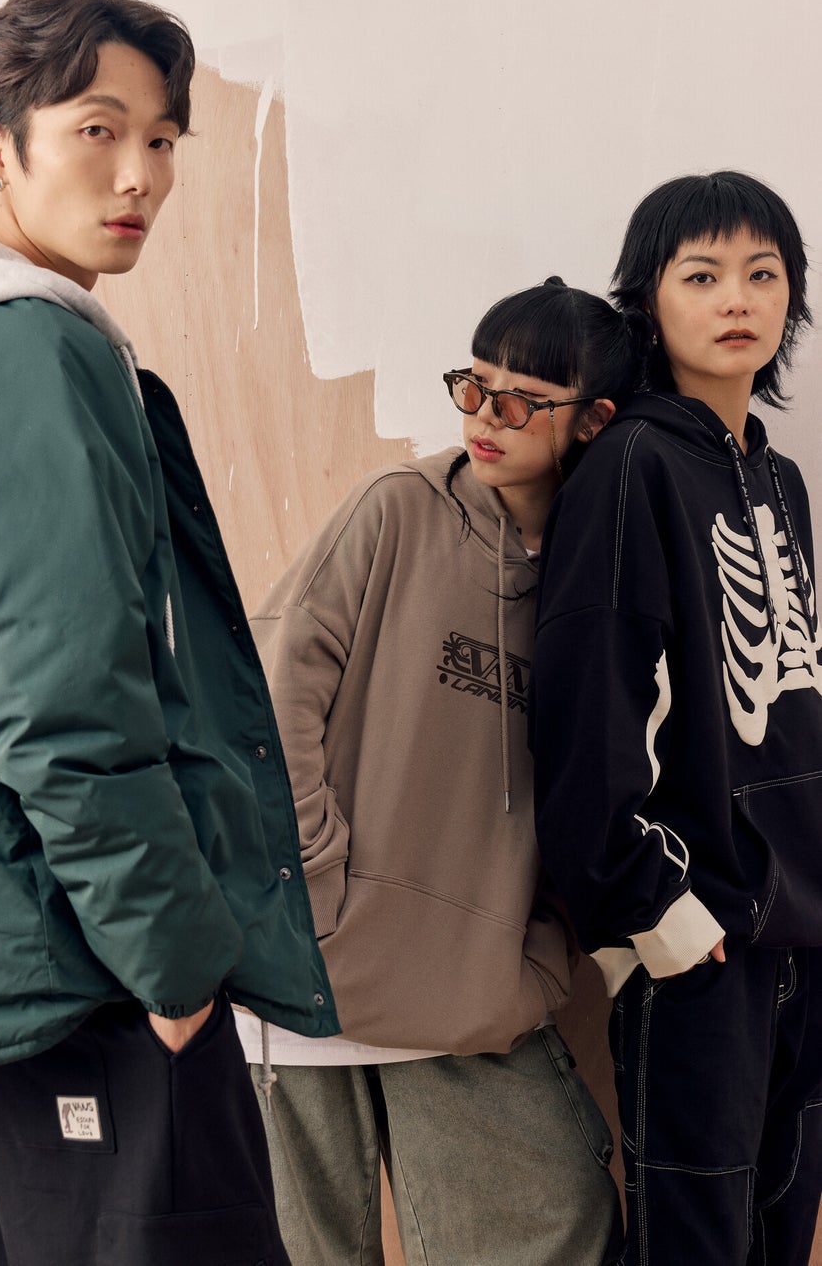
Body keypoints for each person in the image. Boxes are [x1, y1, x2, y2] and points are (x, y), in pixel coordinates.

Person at [0, 0, 338, 1266]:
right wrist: (171, 959)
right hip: (88, 969)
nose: (140, 176)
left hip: (22, 961)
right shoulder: (18, 352)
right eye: (97, 130)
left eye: (161, 139)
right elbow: (57, 700)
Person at [235, 277, 648, 1265]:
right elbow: (270, 700)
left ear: (594, 420)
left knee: (556, 1223)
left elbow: (602, 787)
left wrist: (537, 959)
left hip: (469, 992)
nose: (485, 417)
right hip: (304, 976)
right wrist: (316, 890)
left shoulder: (597, 583)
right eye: (474, 385)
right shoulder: (398, 510)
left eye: (522, 401)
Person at [529, 171, 822, 1265]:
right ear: (648, 300)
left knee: (782, 1230)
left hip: (803, 933)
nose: (737, 298)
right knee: (695, 1244)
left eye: (763, 273)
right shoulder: (628, 467)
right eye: (702, 275)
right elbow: (587, 712)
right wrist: (660, 917)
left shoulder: (780, 480)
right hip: (703, 938)